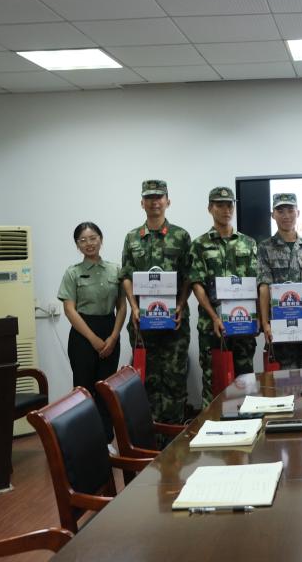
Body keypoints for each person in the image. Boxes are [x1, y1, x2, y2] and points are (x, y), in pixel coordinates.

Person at [120, 180, 193, 426]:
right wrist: (134, 307)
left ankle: (174, 438)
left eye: (159, 197)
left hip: (174, 323)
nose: (154, 202)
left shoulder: (181, 236)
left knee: (175, 380)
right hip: (143, 323)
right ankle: (149, 439)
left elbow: (188, 277)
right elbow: (126, 276)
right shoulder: (132, 238)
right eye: (149, 198)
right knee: (145, 381)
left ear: (167, 201)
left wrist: (181, 305)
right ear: (142, 203)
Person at [57, 222, 126, 440]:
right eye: (83, 240)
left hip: (110, 329)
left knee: (106, 388)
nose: (89, 243)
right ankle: (84, 439)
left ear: (101, 240)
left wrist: (113, 336)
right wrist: (94, 339)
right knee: (83, 389)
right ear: (77, 245)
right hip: (82, 334)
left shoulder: (115, 270)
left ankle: (106, 439)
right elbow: (69, 310)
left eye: (93, 238)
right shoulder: (73, 273)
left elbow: (122, 307)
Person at [190, 186, 258, 408]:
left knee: (245, 381)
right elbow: (197, 285)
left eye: (230, 205)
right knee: (215, 382)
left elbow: (255, 283)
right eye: (220, 205)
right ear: (210, 208)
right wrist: (214, 317)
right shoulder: (199, 245)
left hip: (243, 325)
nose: (226, 210)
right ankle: (212, 428)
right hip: (213, 327)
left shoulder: (248, 243)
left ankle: (248, 425)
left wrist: (257, 316)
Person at [257, 193, 302, 370]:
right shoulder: (265, 247)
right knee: (280, 380)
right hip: (278, 326)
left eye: (290, 210)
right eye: (280, 211)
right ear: (273, 215)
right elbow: (264, 287)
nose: (286, 216)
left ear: (298, 213)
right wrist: (265, 323)